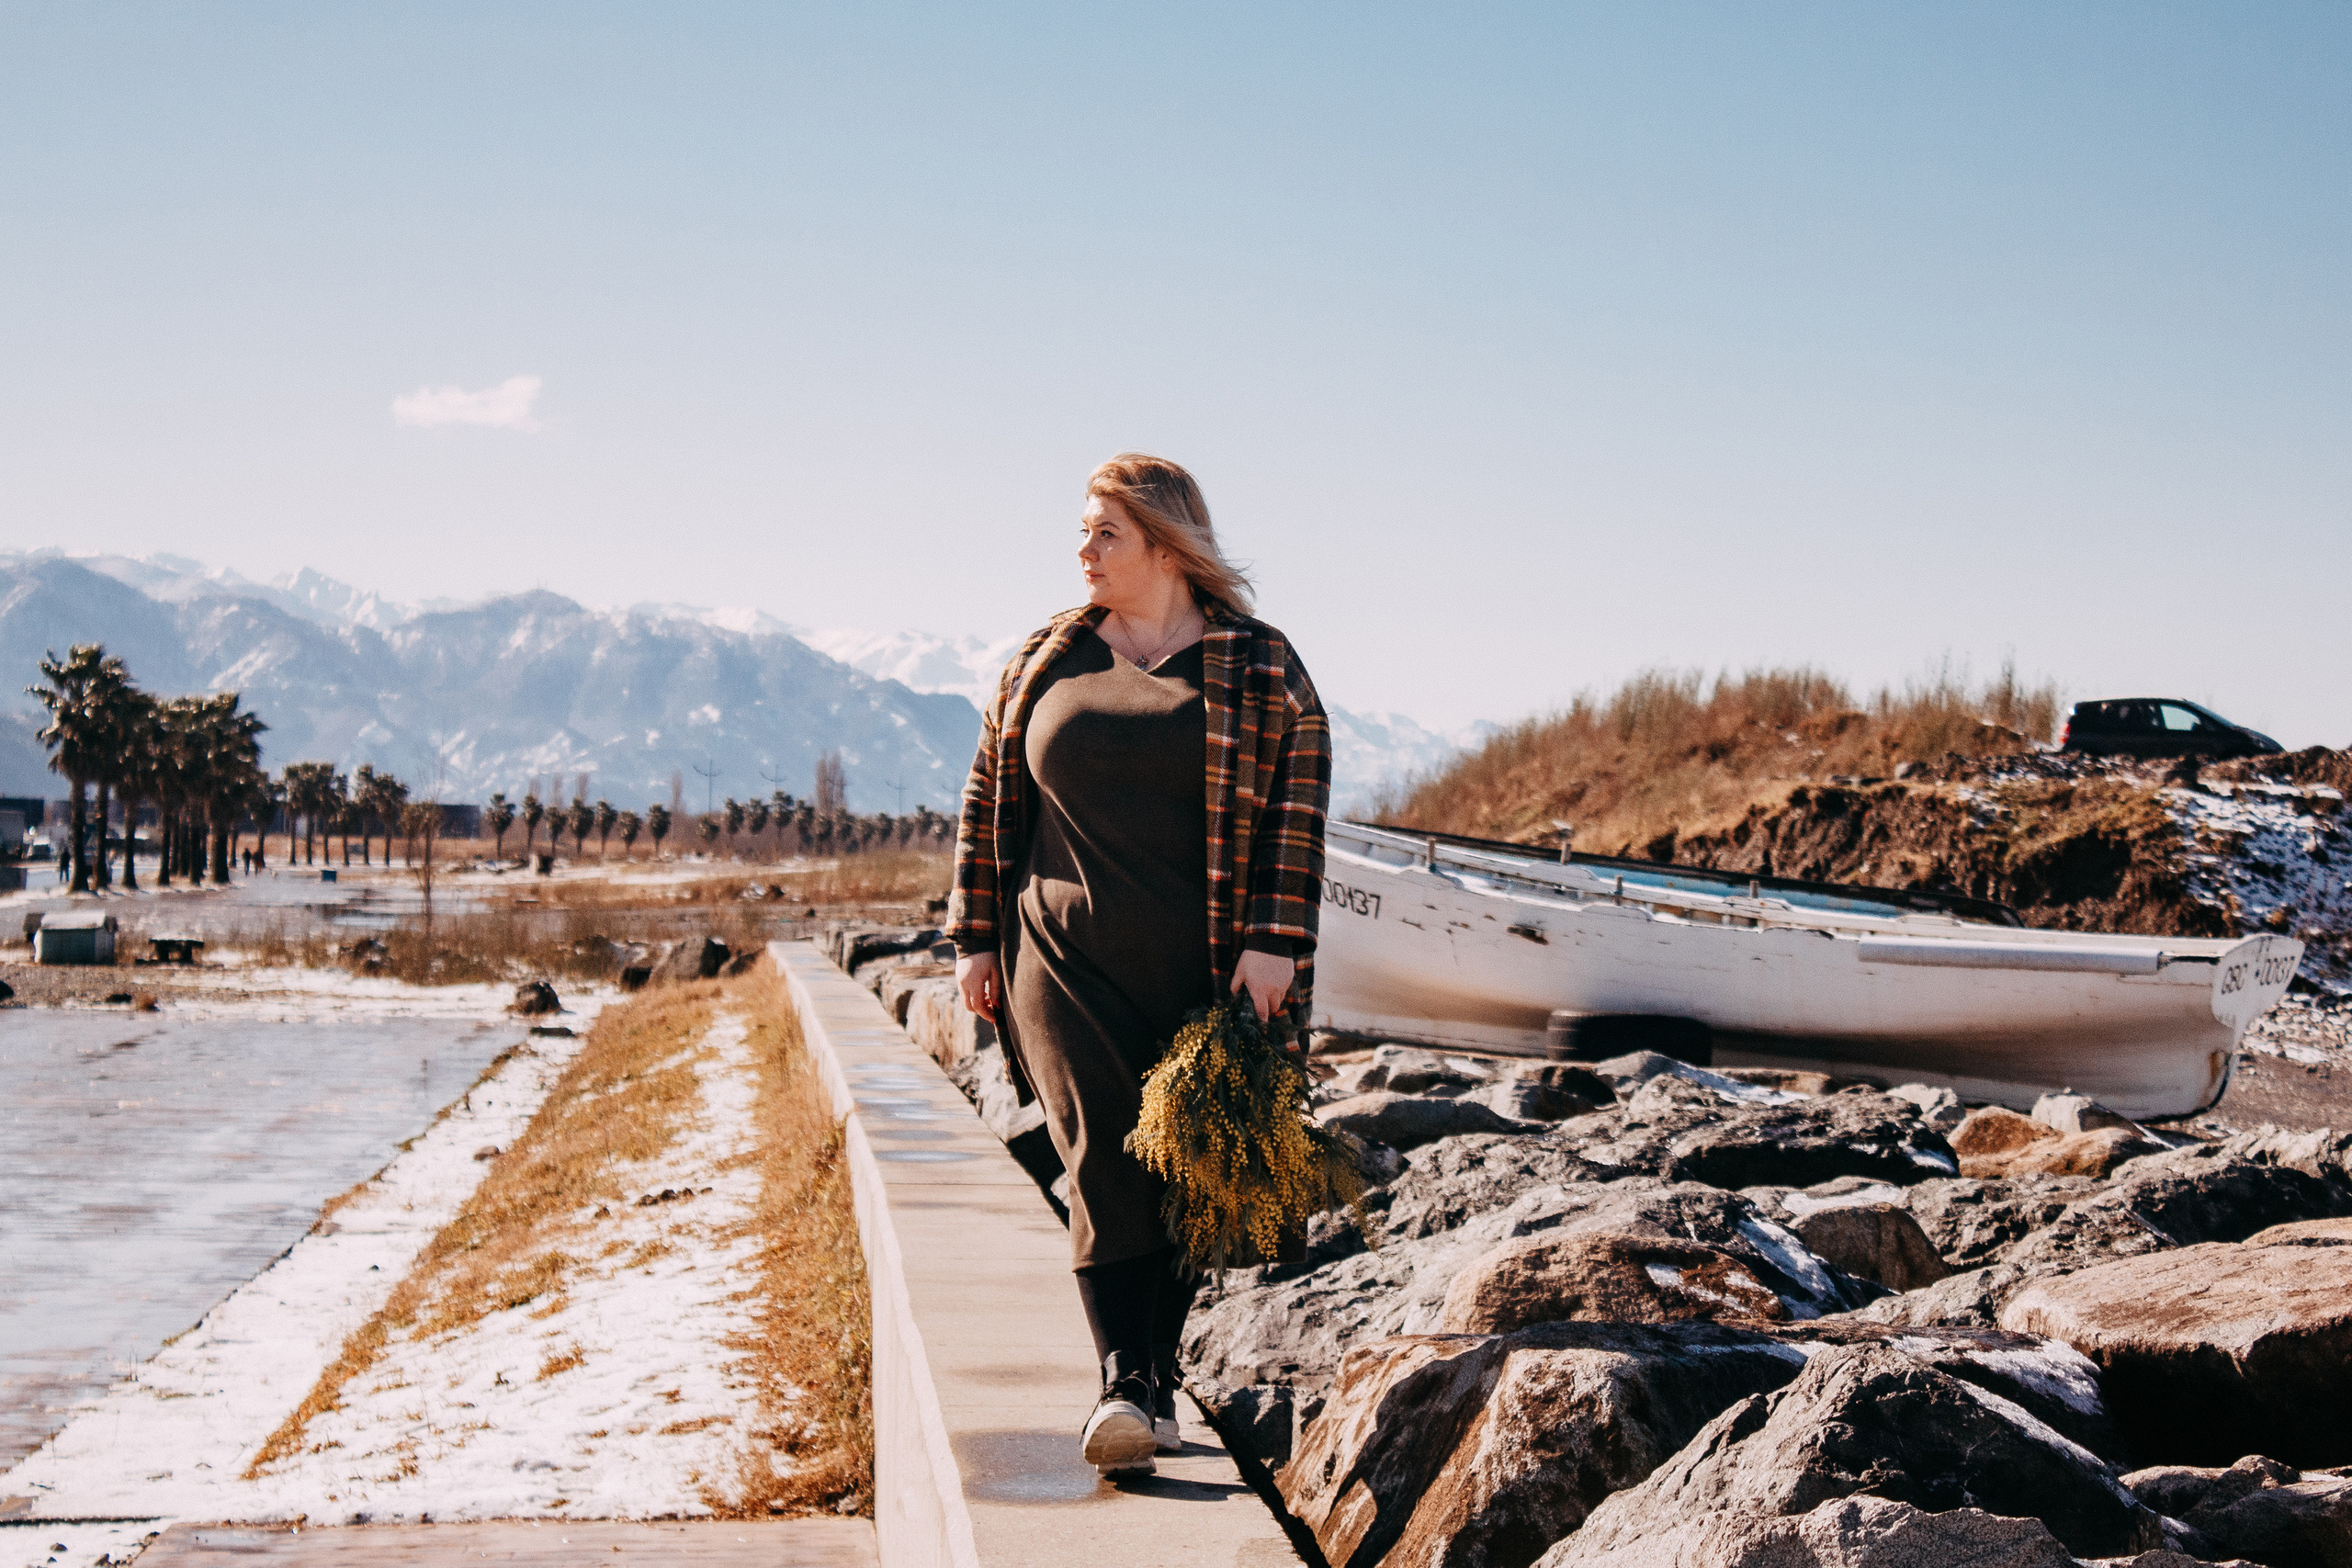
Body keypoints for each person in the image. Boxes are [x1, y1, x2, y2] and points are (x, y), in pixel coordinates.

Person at [950, 453, 1331, 1478]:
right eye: (1083, 530)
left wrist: (1275, 942)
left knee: (1186, 1164)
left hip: (1204, 965)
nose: (1083, 549)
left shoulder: (1261, 666)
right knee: (1100, 1155)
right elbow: (987, 797)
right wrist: (974, 937)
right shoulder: (1045, 659)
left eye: (1105, 532)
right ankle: (1122, 1382)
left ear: (1167, 547)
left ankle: (1155, 1381)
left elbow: (1297, 807)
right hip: (1056, 956)